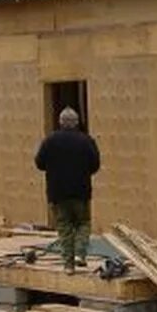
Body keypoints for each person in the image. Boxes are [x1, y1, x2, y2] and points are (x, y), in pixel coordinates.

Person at [34, 107, 101, 272]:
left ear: (60, 122)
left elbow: (39, 163)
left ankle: (68, 265)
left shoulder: (50, 141)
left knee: (64, 227)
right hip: (81, 191)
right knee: (83, 223)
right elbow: (95, 165)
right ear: (77, 123)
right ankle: (80, 253)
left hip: (58, 192)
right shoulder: (86, 141)